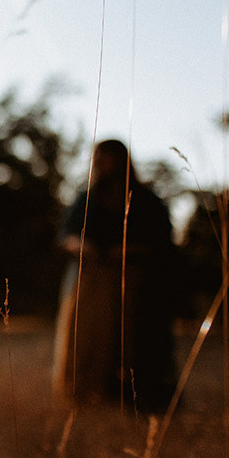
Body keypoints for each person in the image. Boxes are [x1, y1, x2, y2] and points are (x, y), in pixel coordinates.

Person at [52, 139, 177, 412]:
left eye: (106, 158)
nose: (100, 164)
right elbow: (66, 235)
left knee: (134, 339)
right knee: (88, 336)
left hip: (135, 283)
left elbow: (163, 241)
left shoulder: (146, 201)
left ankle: (137, 394)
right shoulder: (87, 199)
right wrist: (79, 245)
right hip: (91, 282)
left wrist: (131, 250)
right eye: (97, 158)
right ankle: (85, 390)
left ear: (122, 161)